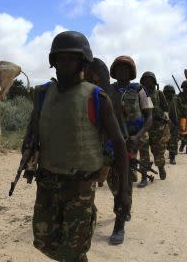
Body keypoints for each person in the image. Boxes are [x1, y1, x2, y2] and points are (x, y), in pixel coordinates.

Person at [31, 31, 129, 261]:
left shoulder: (96, 97)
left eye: (71, 59)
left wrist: (123, 193)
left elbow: (119, 144)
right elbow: (34, 131)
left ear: (82, 62)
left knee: (72, 251)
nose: (64, 64)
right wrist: (29, 152)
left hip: (80, 186)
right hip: (47, 182)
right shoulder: (43, 94)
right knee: (44, 242)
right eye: (60, 58)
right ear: (53, 61)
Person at [107, 56, 153, 244]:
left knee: (123, 179)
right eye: (119, 69)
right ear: (114, 71)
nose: (122, 72)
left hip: (132, 141)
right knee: (112, 181)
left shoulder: (139, 90)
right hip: (111, 141)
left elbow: (149, 117)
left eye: (126, 69)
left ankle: (120, 224)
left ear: (131, 72)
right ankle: (124, 204)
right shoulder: (108, 89)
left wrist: (137, 136)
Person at [139, 72, 169, 181]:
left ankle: (161, 167)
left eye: (150, 80)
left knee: (158, 150)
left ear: (154, 81)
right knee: (143, 152)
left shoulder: (159, 93)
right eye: (145, 80)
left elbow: (166, 107)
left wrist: (165, 116)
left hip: (157, 127)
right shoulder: (140, 94)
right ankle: (143, 176)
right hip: (144, 128)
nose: (148, 82)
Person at [162, 85, 181, 165]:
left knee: (173, 141)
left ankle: (172, 157)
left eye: (171, 92)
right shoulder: (162, 101)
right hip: (165, 123)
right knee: (164, 141)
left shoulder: (176, 100)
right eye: (167, 92)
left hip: (175, 123)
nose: (169, 94)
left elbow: (181, 108)